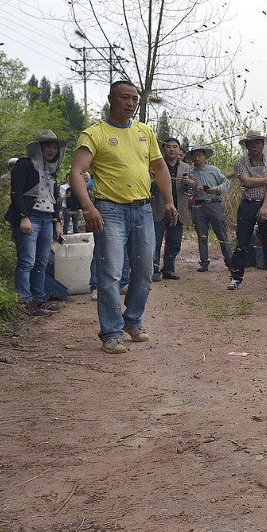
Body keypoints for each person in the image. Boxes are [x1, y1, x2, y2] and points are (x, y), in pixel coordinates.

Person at [69, 80, 177, 354]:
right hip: (110, 210)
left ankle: (133, 321)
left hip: (142, 209)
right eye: (124, 98)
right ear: (110, 99)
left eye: (135, 100)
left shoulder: (145, 132)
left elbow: (160, 168)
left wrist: (169, 201)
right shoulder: (94, 134)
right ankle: (111, 333)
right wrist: (88, 207)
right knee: (111, 274)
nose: (130, 103)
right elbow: (76, 173)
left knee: (145, 272)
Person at [4, 130, 67, 316]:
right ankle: (24, 302)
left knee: (41, 262)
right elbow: (16, 192)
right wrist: (24, 217)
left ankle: (39, 299)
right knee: (27, 261)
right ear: (39, 147)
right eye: (48, 146)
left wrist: (57, 222)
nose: (52, 150)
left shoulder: (50, 171)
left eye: (55, 147)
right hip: (30, 219)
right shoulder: (24, 165)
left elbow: (53, 198)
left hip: (47, 220)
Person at [226, 129, 267, 290]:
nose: (254, 146)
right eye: (251, 143)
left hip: (266, 204)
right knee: (242, 243)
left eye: (258, 142)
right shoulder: (240, 162)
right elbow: (247, 182)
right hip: (247, 204)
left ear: (263, 144)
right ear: (247, 145)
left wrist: (265, 207)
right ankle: (235, 277)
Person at [184, 145, 232, 272]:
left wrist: (217, 189)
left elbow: (226, 183)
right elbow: (185, 189)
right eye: (194, 155)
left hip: (215, 203)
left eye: (199, 155)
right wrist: (195, 188)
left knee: (222, 233)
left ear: (204, 156)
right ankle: (204, 262)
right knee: (202, 235)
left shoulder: (214, 170)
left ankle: (229, 260)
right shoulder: (190, 173)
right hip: (198, 205)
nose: (197, 157)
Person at [150, 138, 191, 281]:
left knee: (174, 243)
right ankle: (154, 270)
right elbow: (147, 183)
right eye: (169, 147)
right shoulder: (154, 166)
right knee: (155, 241)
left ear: (180, 150)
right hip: (159, 208)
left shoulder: (186, 167)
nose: (172, 149)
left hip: (179, 210)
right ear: (163, 149)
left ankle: (168, 269)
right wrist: (160, 179)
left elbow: (194, 183)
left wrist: (189, 182)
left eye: (175, 147)